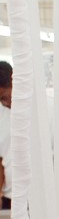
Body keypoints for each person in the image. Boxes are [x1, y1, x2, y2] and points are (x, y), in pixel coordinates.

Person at [0, 61, 11, 209]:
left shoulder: (47, 111)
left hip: (42, 196)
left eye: (6, 96)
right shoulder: (2, 115)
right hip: (11, 198)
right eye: (1, 100)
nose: (6, 102)